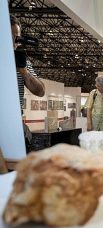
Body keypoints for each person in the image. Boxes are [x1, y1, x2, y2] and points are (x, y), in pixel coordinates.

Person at [11, 15, 45, 152]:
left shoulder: (22, 63)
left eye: (17, 37)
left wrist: (24, 71)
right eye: (12, 37)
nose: (15, 42)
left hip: (14, 121)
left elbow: (40, 91)